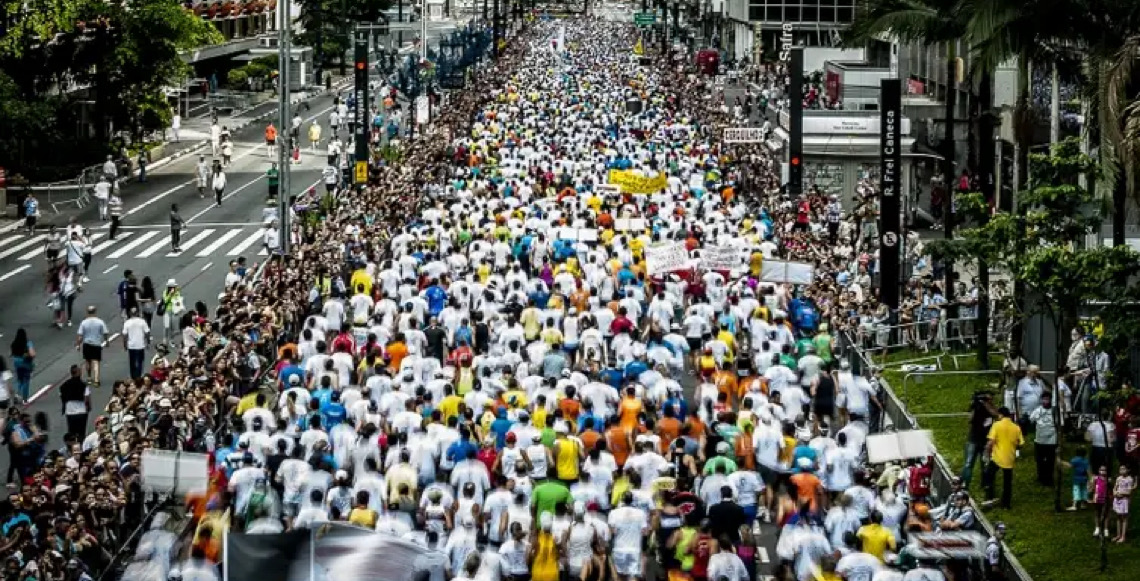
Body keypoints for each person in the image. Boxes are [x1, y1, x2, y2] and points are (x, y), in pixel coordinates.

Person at [983, 407, 1023, 509]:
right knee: (1007, 482)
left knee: (988, 475)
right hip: (1009, 458)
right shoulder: (1016, 427)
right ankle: (1006, 504)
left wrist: (986, 452)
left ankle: (990, 497)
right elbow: (1021, 443)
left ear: (1000, 415)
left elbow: (991, 441)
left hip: (997, 457)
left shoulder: (997, 425)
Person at [75, 305, 108, 385]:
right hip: (96, 344)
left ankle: (89, 378)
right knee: (96, 362)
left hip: (87, 344)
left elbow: (80, 335)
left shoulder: (84, 322)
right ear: (95, 311)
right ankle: (96, 380)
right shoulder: (100, 322)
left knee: (87, 361)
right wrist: (106, 341)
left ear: (87, 312)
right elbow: (105, 332)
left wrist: (78, 344)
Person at [59, 364, 90, 438]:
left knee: (72, 433)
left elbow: (61, 396)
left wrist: (64, 405)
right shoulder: (83, 385)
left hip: (70, 412)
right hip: (82, 412)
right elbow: (87, 398)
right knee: (81, 433)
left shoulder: (64, 385)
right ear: (78, 373)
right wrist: (88, 407)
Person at [122, 307, 151, 379]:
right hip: (140, 345)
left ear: (130, 314)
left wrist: (125, 345)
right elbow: (147, 332)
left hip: (131, 346)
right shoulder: (142, 322)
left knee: (132, 362)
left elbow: (125, 335)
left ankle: (133, 376)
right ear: (137, 313)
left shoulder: (127, 323)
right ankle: (139, 375)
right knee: (140, 361)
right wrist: (148, 341)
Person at [9, 329, 34, 405]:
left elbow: (11, 354)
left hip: (17, 363)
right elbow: (32, 354)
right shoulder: (28, 343)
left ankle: (18, 394)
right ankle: (24, 399)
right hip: (26, 363)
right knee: (26, 380)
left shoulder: (14, 343)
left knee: (20, 380)